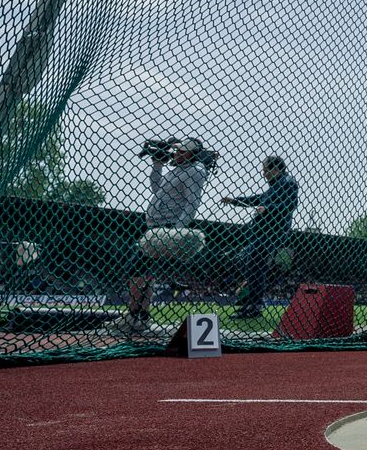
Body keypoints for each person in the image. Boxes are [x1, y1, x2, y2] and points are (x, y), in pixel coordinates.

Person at [118, 138, 210, 336]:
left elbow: (192, 203)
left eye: (182, 152)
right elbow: (157, 190)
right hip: (155, 227)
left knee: (135, 268)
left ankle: (135, 314)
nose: (176, 153)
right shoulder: (176, 170)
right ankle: (140, 316)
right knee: (143, 271)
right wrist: (157, 166)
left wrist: (177, 231)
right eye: (177, 151)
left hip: (166, 228)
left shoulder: (194, 170)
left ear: (192, 155)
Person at [220, 156, 298, 319]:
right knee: (247, 262)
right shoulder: (275, 186)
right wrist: (235, 201)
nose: (263, 174)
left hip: (271, 233)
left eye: (265, 170)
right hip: (261, 233)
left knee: (255, 266)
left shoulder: (287, 182)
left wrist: (268, 209)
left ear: (275, 169)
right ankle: (249, 300)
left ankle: (253, 305)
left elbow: (290, 205)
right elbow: (256, 199)